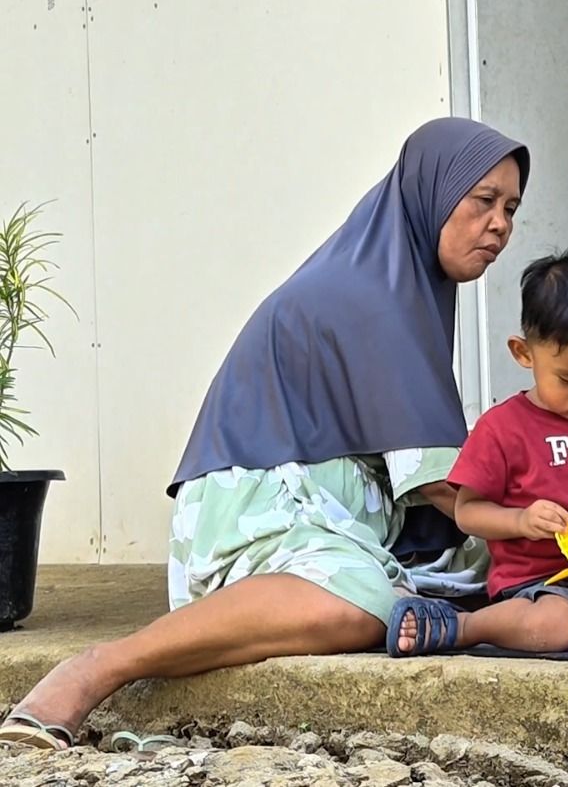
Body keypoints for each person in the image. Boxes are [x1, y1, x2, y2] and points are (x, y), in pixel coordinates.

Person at [0, 118, 529, 750]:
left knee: (492, 565)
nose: (500, 224)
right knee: (370, 602)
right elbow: (448, 489)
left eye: (512, 208)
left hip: (335, 512)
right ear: (432, 194)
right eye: (483, 202)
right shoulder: (371, 298)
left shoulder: (401, 284)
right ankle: (100, 668)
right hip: (262, 511)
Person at [386, 250, 568, 656]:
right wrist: (522, 520)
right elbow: (467, 513)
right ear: (524, 353)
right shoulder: (503, 428)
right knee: (556, 626)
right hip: (538, 582)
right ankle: (462, 625)